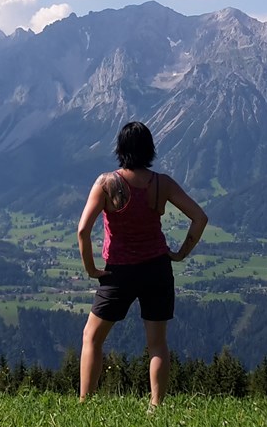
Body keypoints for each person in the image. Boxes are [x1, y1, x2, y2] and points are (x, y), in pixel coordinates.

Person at [76, 121, 208, 407]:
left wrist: (90, 269)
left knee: (92, 337)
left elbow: (83, 230)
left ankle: (86, 403)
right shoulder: (162, 183)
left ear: (120, 149)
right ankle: (156, 407)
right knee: (157, 344)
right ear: (150, 149)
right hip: (157, 268)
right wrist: (181, 253)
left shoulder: (106, 184)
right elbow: (200, 217)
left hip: (118, 271)